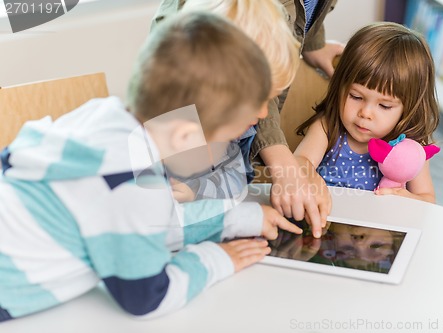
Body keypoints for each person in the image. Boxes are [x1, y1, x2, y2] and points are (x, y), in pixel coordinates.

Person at [0, 12, 302, 322]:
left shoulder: (104, 120)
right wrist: (216, 259)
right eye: (229, 139)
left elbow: (153, 222)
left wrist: (238, 218)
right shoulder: (128, 186)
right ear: (186, 136)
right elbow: (148, 296)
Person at [152, 0, 344, 238]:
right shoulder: (155, 150)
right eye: (257, 98)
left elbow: (234, 184)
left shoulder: (236, 135)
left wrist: (204, 195)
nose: (264, 114)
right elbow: (154, 234)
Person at [295, 22, 440, 203]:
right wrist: (308, 175)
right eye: (356, 96)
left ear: (409, 108)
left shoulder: (411, 147)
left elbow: (427, 199)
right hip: (325, 219)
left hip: (374, 227)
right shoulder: (327, 126)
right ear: (340, 87)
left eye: (385, 106)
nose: (365, 113)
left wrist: (407, 199)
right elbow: (300, 161)